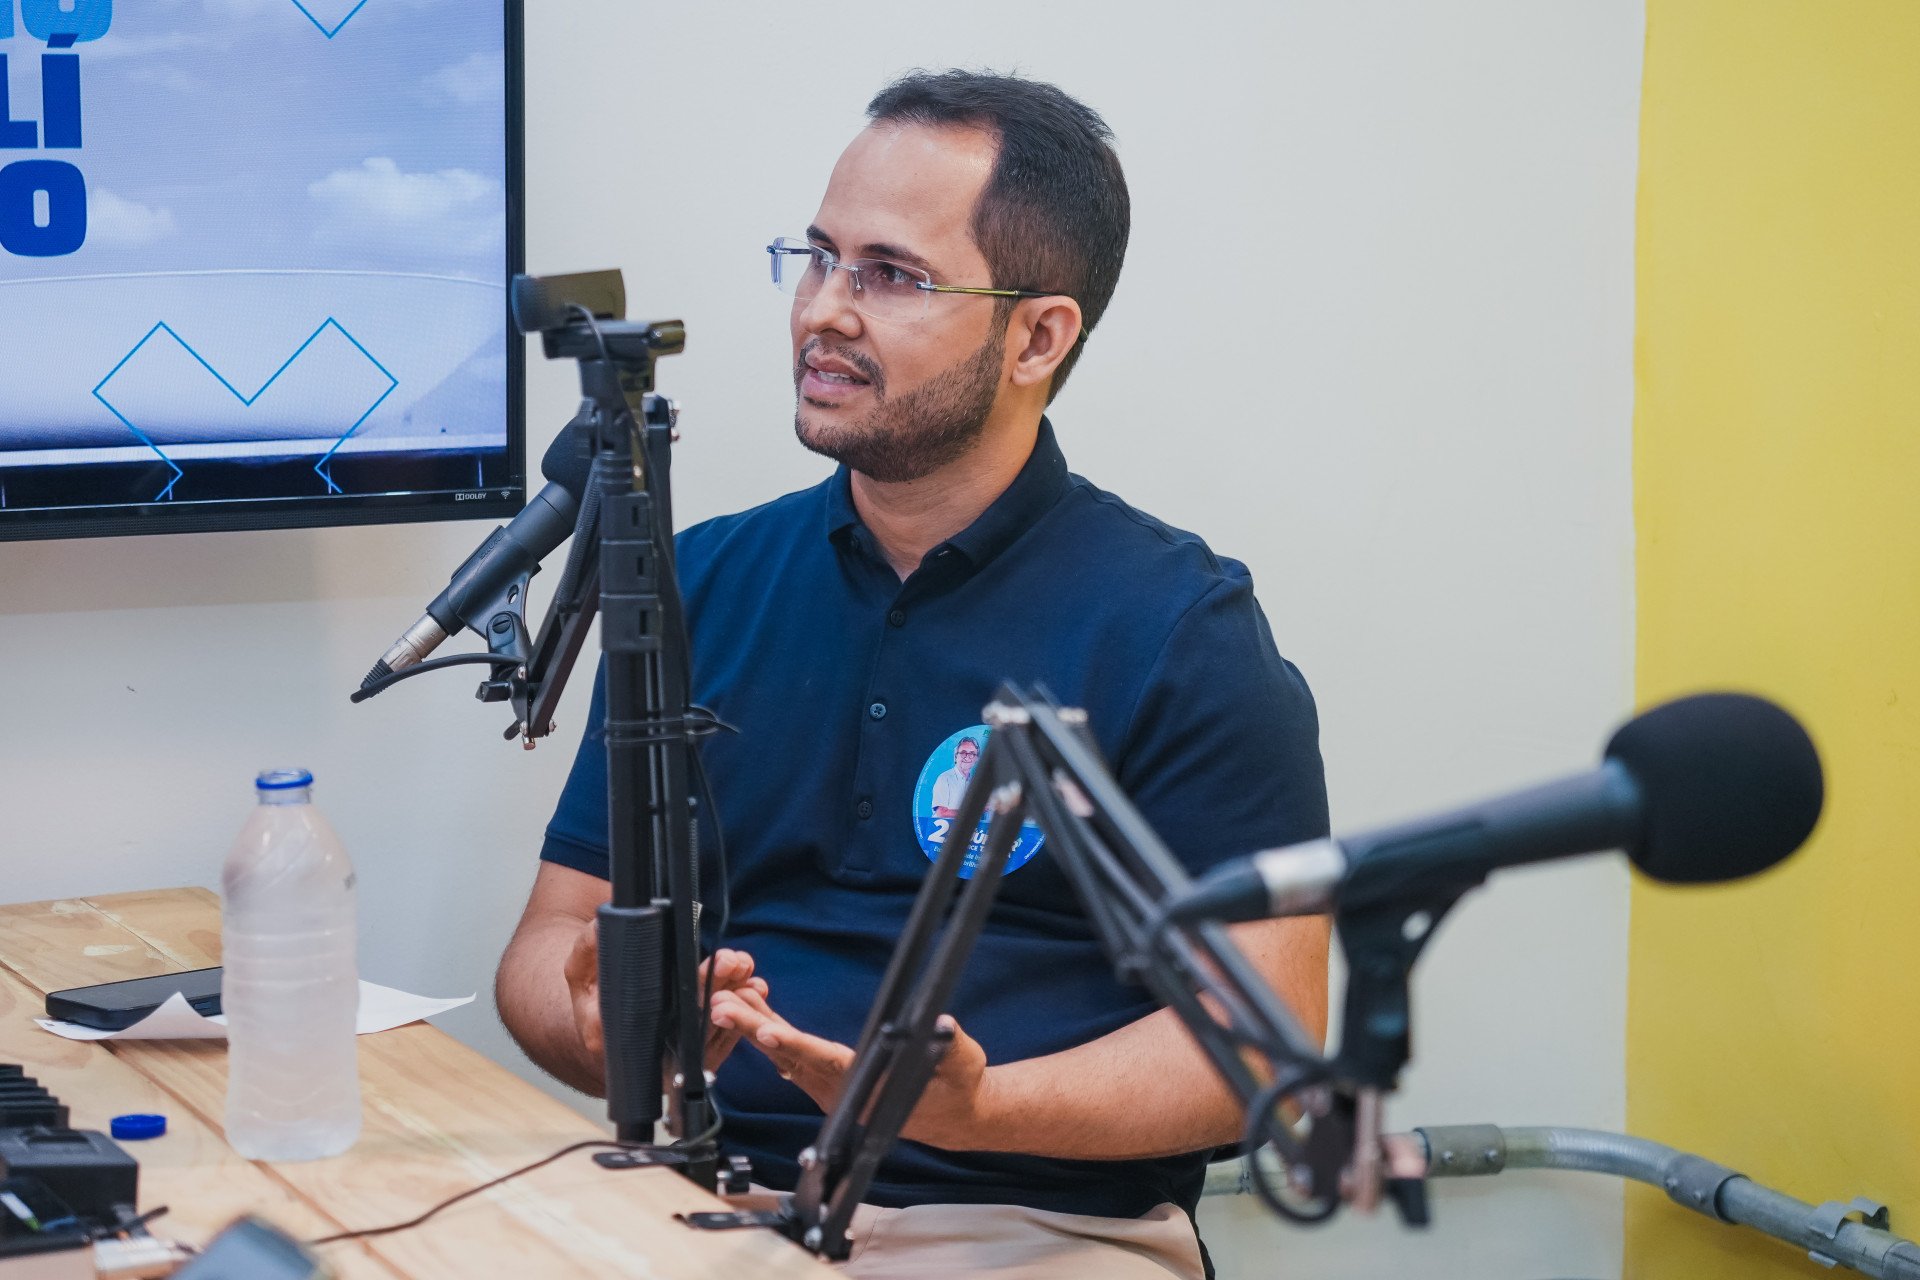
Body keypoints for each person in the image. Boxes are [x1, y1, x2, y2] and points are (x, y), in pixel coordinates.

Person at [496, 69, 1331, 1279]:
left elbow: (1267, 1042)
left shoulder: (1180, 627)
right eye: (819, 256)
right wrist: (594, 1019)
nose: (823, 310)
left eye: (891, 275)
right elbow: (549, 938)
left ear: (1039, 335)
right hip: (710, 1199)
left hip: (1037, 1226)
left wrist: (977, 1110)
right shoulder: (701, 578)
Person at [930, 735, 981, 818]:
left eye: (972, 753)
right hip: (941, 829)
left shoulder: (976, 783)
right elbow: (941, 813)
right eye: (963, 752)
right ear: (955, 756)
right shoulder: (944, 778)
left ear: (976, 759)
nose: (967, 757)